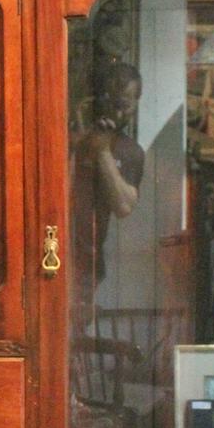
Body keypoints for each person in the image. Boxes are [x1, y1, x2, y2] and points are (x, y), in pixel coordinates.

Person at [71, 62, 145, 306]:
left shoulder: (130, 151)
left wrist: (102, 152)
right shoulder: (71, 134)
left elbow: (123, 206)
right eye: (112, 103)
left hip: (86, 265)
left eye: (125, 106)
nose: (119, 114)